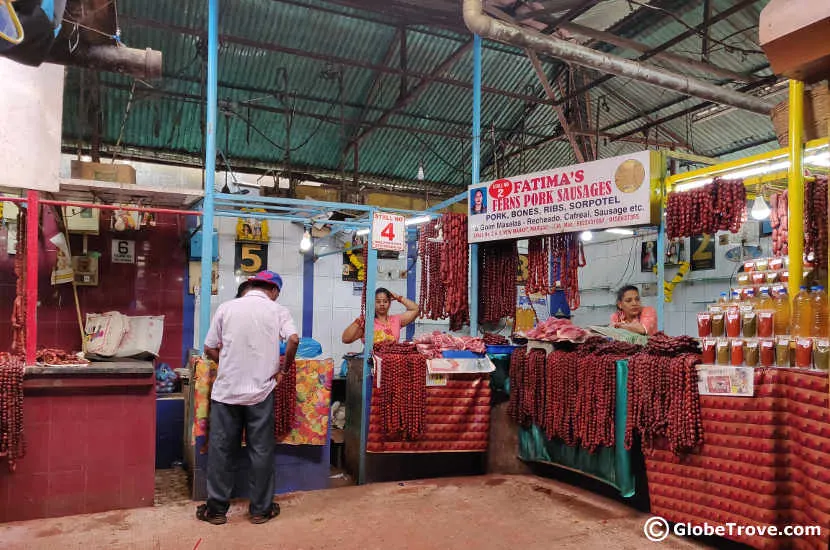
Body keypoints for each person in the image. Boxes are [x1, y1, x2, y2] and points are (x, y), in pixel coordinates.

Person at [197, 270, 299, 526]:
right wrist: (283, 370)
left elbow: (209, 347)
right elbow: (294, 339)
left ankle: (217, 510)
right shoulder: (278, 311)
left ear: (250, 286)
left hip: (227, 392)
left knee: (222, 451)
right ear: (273, 291)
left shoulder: (226, 307)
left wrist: (227, 363)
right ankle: (260, 511)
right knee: (261, 451)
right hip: (261, 393)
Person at [341, 288, 420, 345]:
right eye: (378, 301)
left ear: (389, 303)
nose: (382, 304)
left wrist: (398, 297)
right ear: (373, 303)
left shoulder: (396, 320)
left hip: (393, 364)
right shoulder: (367, 323)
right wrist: (359, 320)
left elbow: (415, 309)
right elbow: (346, 339)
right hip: (372, 364)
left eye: (385, 301)